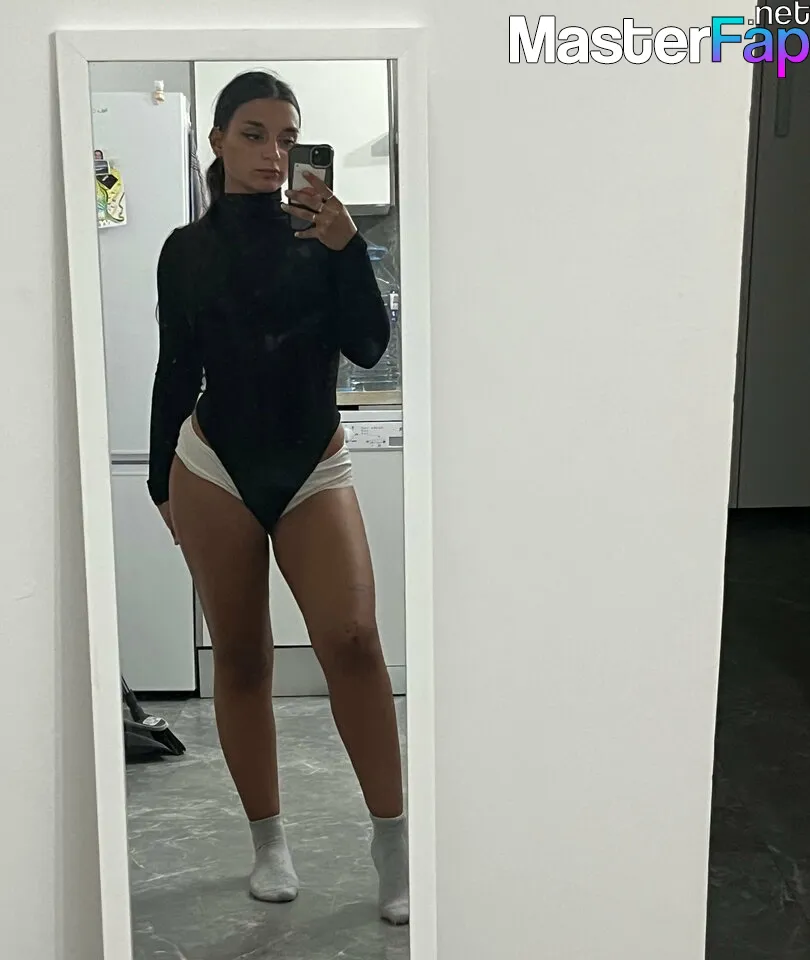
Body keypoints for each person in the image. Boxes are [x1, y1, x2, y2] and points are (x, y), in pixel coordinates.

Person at [147, 70, 408, 925]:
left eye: (287, 138)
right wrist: (158, 481)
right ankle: (268, 843)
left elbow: (366, 345)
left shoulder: (322, 236)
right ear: (218, 140)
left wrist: (346, 250)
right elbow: (176, 365)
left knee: (355, 641)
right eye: (254, 134)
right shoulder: (184, 249)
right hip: (212, 466)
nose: (272, 153)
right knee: (242, 657)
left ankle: (393, 840)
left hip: (312, 463)